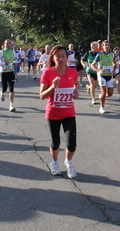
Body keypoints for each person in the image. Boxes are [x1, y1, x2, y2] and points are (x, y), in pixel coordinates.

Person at [39, 45, 79, 178]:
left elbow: (75, 87)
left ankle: (69, 162)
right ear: (53, 58)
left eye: (63, 56)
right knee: (55, 142)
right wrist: (52, 87)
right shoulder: (48, 73)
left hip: (69, 112)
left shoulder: (73, 72)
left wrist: (75, 93)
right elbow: (42, 95)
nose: (61, 59)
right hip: (53, 113)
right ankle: (54, 162)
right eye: (58, 56)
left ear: (67, 58)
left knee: (71, 143)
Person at [91, 40, 115, 114]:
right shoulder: (100, 55)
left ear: (110, 46)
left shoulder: (112, 54)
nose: (107, 46)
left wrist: (114, 68)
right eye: (105, 45)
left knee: (110, 93)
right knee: (104, 92)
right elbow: (92, 65)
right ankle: (102, 107)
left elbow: (114, 62)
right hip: (102, 76)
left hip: (109, 75)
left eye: (108, 45)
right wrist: (99, 70)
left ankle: (101, 96)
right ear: (102, 46)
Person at [0, 39, 17, 112]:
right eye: (6, 43)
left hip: (11, 72)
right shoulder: (1, 52)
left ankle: (11, 105)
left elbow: (13, 60)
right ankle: (2, 92)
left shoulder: (13, 52)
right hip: (3, 72)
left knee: (11, 88)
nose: (8, 45)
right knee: (4, 88)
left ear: (11, 44)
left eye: (9, 43)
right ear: (4, 44)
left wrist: (14, 64)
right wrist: (4, 63)